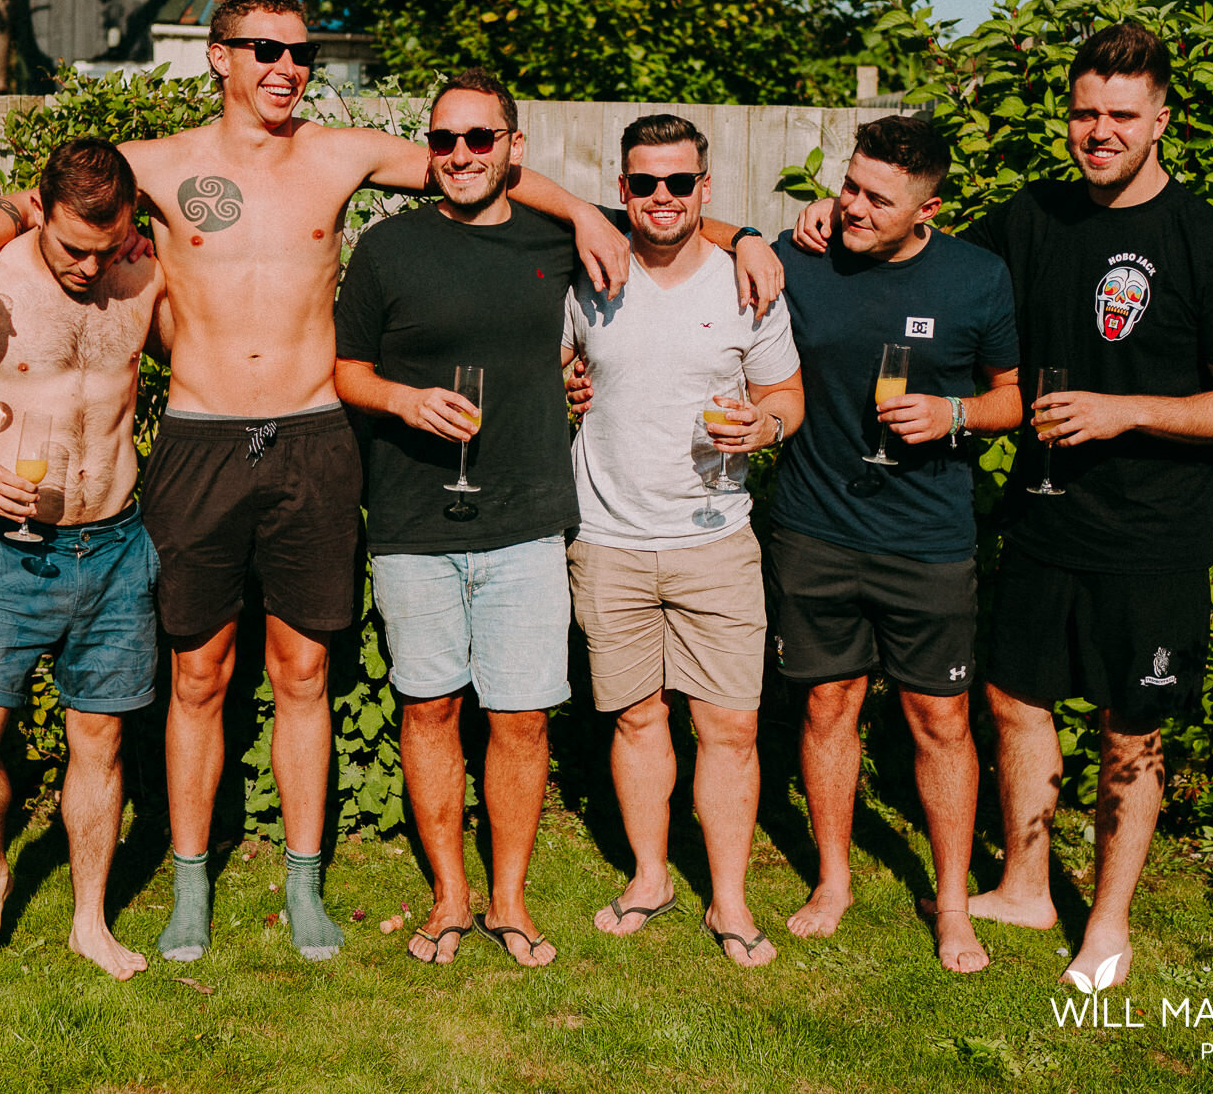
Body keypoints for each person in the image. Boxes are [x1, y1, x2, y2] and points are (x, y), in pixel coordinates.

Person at [0, 0, 646, 963]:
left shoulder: (340, 154)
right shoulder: (155, 166)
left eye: (299, 53)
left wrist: (584, 212)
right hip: (199, 437)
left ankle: (304, 882)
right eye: (264, 50)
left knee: (304, 671)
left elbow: (477, 169)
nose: (285, 69)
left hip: (313, 436)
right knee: (197, 675)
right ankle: (189, 885)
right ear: (217, 56)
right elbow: (25, 204)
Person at [789, 23, 1213, 988]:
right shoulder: (1033, 220)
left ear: (1161, 120)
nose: (1099, 131)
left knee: (1131, 724)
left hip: (1153, 530)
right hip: (1043, 511)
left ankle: (1107, 924)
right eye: (1085, 111)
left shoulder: (1212, 245)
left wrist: (1122, 408)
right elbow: (918, 246)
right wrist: (823, 215)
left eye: (1120, 115)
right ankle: (1024, 884)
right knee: (1016, 699)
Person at [0, 138, 169, 981]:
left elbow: (205, 368)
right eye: (73, 248)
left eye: (108, 245)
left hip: (115, 542)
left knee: (101, 738)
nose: (90, 266)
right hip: (5, 551)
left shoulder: (142, 274)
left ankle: (90, 918)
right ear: (39, 211)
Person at [332, 70, 578, 968]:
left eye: (480, 138)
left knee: (520, 717)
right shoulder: (388, 248)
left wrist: (745, 234)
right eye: (443, 140)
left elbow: (664, 227)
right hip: (411, 516)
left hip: (524, 514)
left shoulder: (557, 236)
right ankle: (449, 896)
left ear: (515, 146)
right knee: (428, 705)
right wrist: (402, 400)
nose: (460, 156)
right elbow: (345, 368)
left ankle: (509, 899)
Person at [764, 115, 1020, 974]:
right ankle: (833, 881)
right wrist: (758, 236)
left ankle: (952, 905)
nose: (853, 207)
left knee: (939, 719)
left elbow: (1012, 397)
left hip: (926, 537)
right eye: (849, 186)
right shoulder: (802, 254)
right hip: (815, 525)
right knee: (827, 706)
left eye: (879, 198)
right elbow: (711, 242)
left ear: (929, 209)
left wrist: (954, 414)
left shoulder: (977, 278)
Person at [563, 113, 805, 967]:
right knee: (635, 719)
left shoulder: (746, 283)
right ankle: (651, 876)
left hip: (715, 540)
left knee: (730, 727)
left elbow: (787, 397)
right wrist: (564, 382)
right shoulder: (587, 274)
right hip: (610, 538)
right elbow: (557, 368)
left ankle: (730, 902)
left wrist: (765, 428)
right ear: (621, 189)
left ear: (706, 188)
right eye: (642, 182)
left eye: (678, 182)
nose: (659, 197)